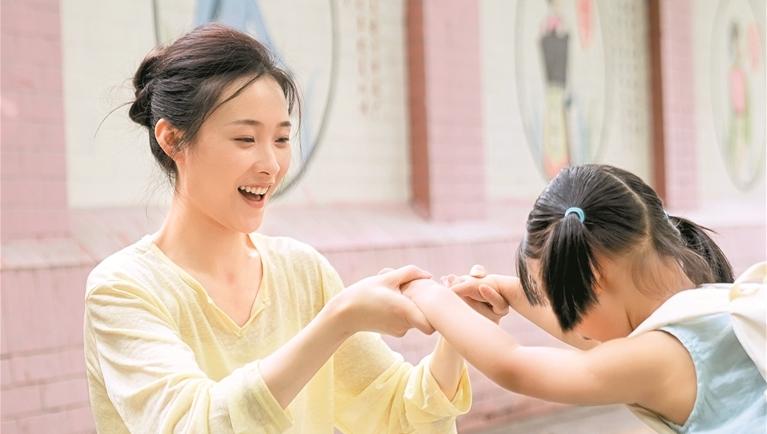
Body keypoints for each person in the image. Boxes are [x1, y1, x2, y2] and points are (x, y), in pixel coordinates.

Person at [83, 24, 475, 434]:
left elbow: (395, 415)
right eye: (245, 138)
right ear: (173, 139)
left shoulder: (301, 271)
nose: (271, 165)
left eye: (282, 139)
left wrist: (458, 335)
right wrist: (338, 321)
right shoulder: (124, 289)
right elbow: (192, 424)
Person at [404, 164, 766, 433]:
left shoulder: (657, 357)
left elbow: (513, 365)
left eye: (559, 301)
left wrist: (425, 293)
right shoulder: (713, 304)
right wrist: (507, 292)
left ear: (594, 281)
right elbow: (595, 338)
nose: (568, 324)